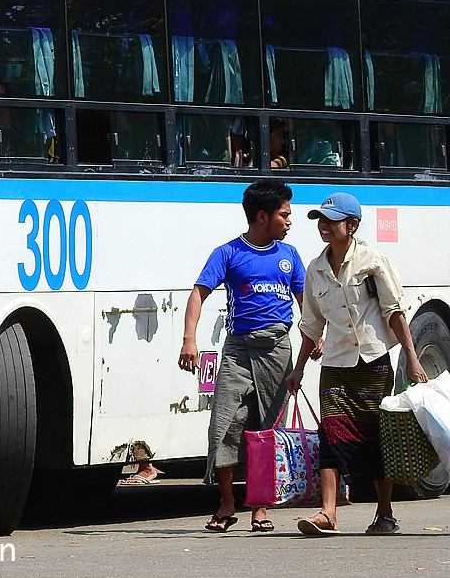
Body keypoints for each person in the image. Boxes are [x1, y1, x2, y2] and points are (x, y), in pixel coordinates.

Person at [287, 192, 428, 536]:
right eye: (320, 220)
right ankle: (328, 514)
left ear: (353, 225)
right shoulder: (316, 269)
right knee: (330, 435)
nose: (324, 226)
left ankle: (384, 513)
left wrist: (411, 358)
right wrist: (299, 368)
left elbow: (394, 311)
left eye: (331, 220)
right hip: (335, 364)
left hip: (373, 361)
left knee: (377, 438)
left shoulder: (373, 261)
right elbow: (311, 325)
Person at [179, 178, 306, 532]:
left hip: (278, 349)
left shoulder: (290, 255)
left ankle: (260, 507)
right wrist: (189, 339)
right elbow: (197, 294)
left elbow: (307, 302)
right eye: (285, 215)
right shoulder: (228, 253)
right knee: (225, 423)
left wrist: (316, 338)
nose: (290, 221)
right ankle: (226, 503)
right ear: (262, 216)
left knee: (268, 430)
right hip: (237, 349)